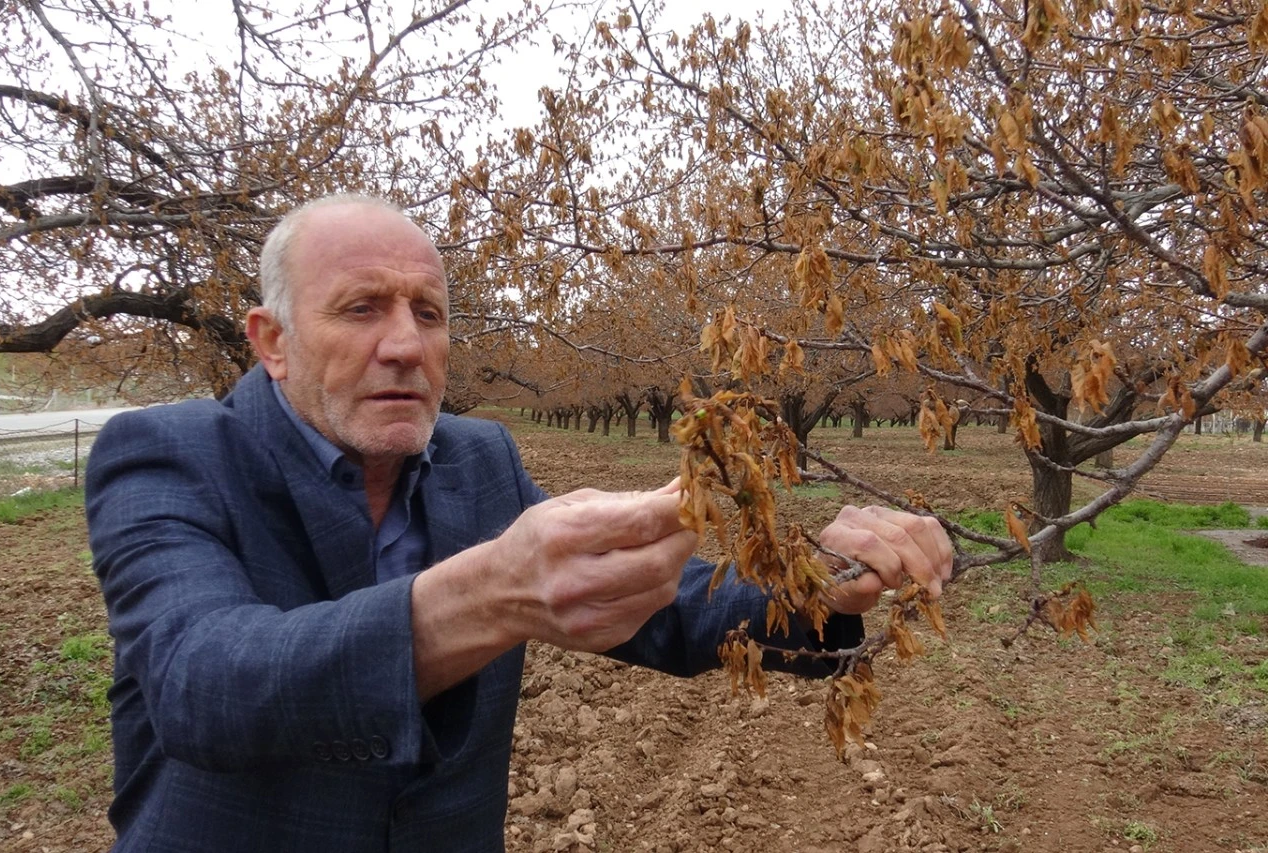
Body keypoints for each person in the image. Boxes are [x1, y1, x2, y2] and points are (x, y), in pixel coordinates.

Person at [86, 194, 952, 852]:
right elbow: (204, 681)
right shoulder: (167, 454)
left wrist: (824, 578)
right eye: (361, 308)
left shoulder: (479, 462)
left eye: (428, 313)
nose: (405, 344)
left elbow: (671, 606)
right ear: (271, 340)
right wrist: (493, 594)